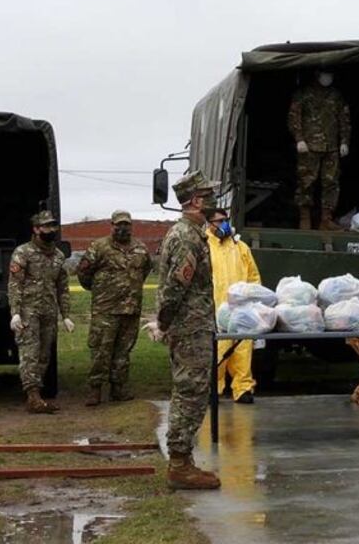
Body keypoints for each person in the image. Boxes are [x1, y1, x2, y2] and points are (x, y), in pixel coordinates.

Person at [144, 170, 222, 490]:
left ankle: (183, 460)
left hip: (191, 325)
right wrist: (163, 322)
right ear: (195, 201)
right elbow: (177, 286)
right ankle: (179, 464)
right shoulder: (188, 236)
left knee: (189, 391)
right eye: (208, 196)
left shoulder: (189, 233)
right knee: (190, 392)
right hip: (190, 328)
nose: (214, 202)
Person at [77, 210, 153, 406]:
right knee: (101, 350)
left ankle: (118, 388)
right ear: (112, 225)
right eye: (119, 224)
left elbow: (144, 271)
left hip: (131, 310)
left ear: (131, 226)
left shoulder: (140, 248)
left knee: (123, 351)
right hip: (106, 310)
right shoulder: (99, 247)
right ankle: (95, 389)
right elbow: (84, 273)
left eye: (126, 225)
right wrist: (101, 291)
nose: (122, 228)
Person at [7, 210, 74, 414]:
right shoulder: (23, 253)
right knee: (30, 353)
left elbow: (62, 287)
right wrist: (15, 312)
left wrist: (66, 315)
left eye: (53, 226)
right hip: (29, 312)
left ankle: (38, 395)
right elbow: (15, 284)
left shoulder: (58, 256)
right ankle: (33, 396)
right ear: (36, 229)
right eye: (46, 226)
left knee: (45, 354)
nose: (51, 230)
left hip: (49, 311)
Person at [207, 207, 262, 404]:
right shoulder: (204, 247)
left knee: (243, 349)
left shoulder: (240, 247)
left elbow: (253, 277)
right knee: (219, 350)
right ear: (209, 224)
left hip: (241, 310)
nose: (224, 224)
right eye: (219, 221)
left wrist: (253, 301)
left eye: (225, 219)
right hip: (215, 308)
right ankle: (214, 388)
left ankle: (243, 388)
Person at [287, 68, 351, 231]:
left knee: (331, 182)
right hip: (309, 147)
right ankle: (305, 219)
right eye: (325, 74)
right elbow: (294, 117)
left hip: (331, 147)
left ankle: (326, 220)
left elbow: (344, 119)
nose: (328, 77)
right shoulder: (303, 94)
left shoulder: (336, 96)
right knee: (306, 182)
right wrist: (299, 139)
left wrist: (344, 141)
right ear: (317, 74)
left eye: (331, 74)